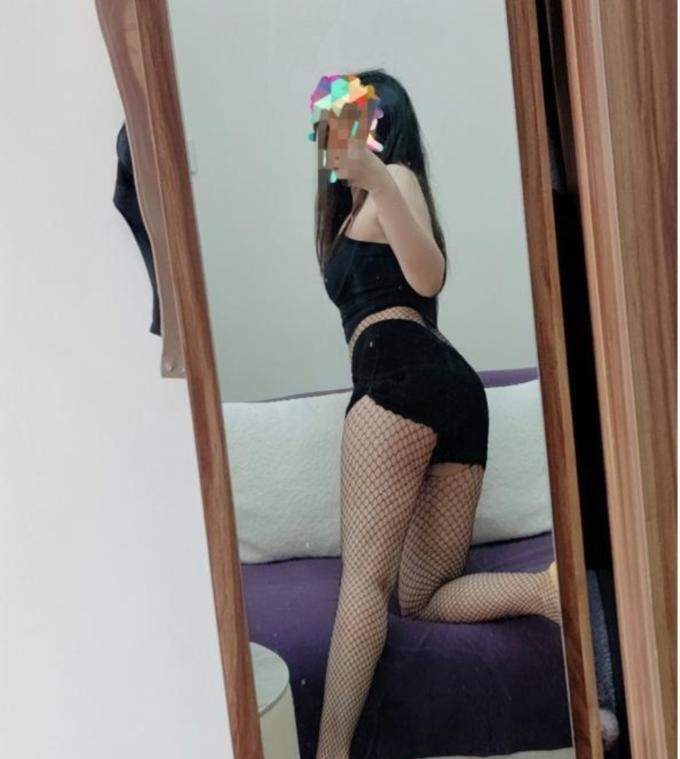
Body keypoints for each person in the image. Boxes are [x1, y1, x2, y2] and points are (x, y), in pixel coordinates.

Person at [311, 69, 561, 759]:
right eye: (328, 122)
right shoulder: (359, 204)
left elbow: (429, 275)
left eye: (348, 119)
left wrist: (382, 180)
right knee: (421, 595)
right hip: (449, 388)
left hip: (398, 373)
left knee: (365, 580)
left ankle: (330, 753)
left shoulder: (396, 181)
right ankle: (549, 592)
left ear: (381, 126)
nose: (332, 134)